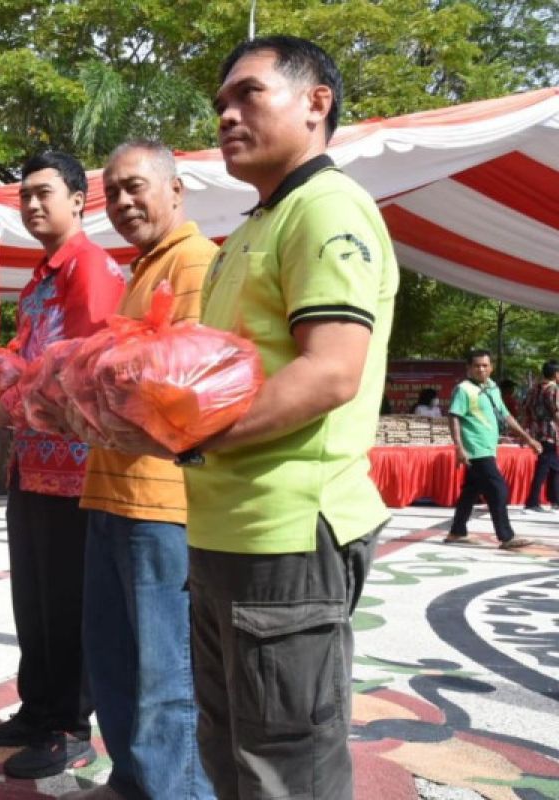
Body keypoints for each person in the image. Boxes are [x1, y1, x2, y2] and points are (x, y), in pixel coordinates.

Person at [178, 37, 397, 800]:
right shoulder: (248, 230)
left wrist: (189, 437)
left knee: (285, 768)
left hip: (289, 534)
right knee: (231, 750)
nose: (228, 116)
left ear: (316, 102)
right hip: (224, 530)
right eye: (220, 107)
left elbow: (330, 371)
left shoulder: (327, 207)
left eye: (248, 95)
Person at [62, 141, 217, 800]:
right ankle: (130, 781)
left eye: (137, 187)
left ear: (176, 190)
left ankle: (176, 791)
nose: (124, 203)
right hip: (109, 493)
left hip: (161, 503)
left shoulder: (199, 264)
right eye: (115, 192)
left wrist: (95, 385)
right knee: (113, 661)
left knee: (167, 678)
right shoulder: (141, 273)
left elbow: (191, 386)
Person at [0, 151, 125, 779]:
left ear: (78, 200)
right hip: (31, 462)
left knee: (67, 602)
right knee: (33, 600)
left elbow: (87, 370)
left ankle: (70, 725)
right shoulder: (38, 280)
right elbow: (25, 358)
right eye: (25, 195)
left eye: (44, 193)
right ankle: (37, 708)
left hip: (75, 468)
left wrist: (11, 400)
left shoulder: (88, 269)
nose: (32, 205)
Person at [445, 349, 540, 548]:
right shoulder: (463, 389)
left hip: (488, 446)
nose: (481, 369)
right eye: (476, 365)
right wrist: (459, 447)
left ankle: (456, 531)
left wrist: (528, 438)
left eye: (485, 365)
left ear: (491, 367)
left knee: (471, 491)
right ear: (469, 368)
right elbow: (454, 416)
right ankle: (506, 537)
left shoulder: (493, 388)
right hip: (476, 448)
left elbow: (506, 416)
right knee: (498, 489)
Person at [523, 360, 559, 513]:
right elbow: (556, 411)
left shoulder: (534, 389)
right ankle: (532, 502)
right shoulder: (553, 389)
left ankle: (555, 500)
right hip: (549, 432)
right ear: (556, 374)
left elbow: (526, 408)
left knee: (554, 467)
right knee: (543, 468)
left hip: (536, 432)